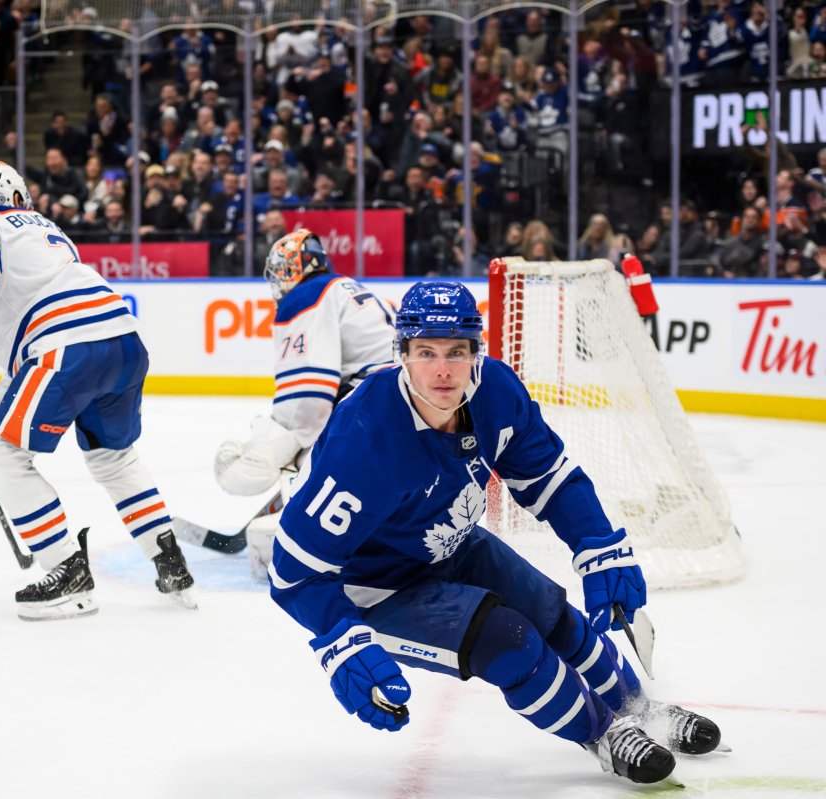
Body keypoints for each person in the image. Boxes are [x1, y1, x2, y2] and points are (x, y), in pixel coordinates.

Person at [267, 282, 722, 785]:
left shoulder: (497, 393)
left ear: (475, 352)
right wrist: (341, 640)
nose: (442, 370)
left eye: (456, 352)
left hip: (450, 543)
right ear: (402, 355)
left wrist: (597, 544)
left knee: (554, 616)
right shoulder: (364, 439)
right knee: (511, 640)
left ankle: (641, 709)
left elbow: (549, 478)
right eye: (426, 353)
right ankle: (604, 733)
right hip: (379, 590)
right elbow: (295, 571)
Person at [0, 161, 196, 620]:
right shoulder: (46, 230)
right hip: (122, 342)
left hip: (66, 347)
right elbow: (32, 352)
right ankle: (170, 561)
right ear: (19, 195)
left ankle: (68, 573)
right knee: (114, 460)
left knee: (3, 461)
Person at [212, 230, 395, 577]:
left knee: (300, 449)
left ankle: (308, 538)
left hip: (376, 416)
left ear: (291, 268)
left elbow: (306, 402)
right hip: (400, 410)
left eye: (279, 273)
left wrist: (272, 448)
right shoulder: (345, 287)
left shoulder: (307, 295)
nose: (278, 284)